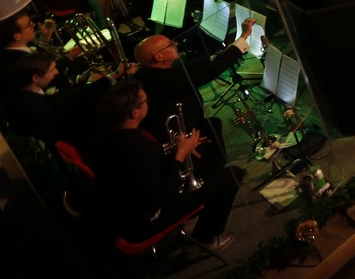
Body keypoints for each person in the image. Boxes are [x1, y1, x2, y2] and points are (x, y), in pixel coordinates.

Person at [87, 80, 241, 252]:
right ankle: (203, 240)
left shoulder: (103, 138)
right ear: (134, 112)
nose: (148, 103)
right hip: (143, 222)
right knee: (233, 175)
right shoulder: (140, 147)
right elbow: (159, 197)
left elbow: (140, 170)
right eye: (145, 101)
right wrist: (180, 156)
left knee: (208, 155)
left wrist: (179, 149)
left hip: (118, 212)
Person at [133, 21, 255, 165]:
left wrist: (216, 56)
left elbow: (189, 67)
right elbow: (209, 72)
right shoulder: (165, 80)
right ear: (159, 57)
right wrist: (244, 36)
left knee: (213, 124)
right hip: (182, 138)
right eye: (170, 45)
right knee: (213, 130)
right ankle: (216, 170)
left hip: (187, 125)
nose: (176, 44)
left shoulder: (148, 73)